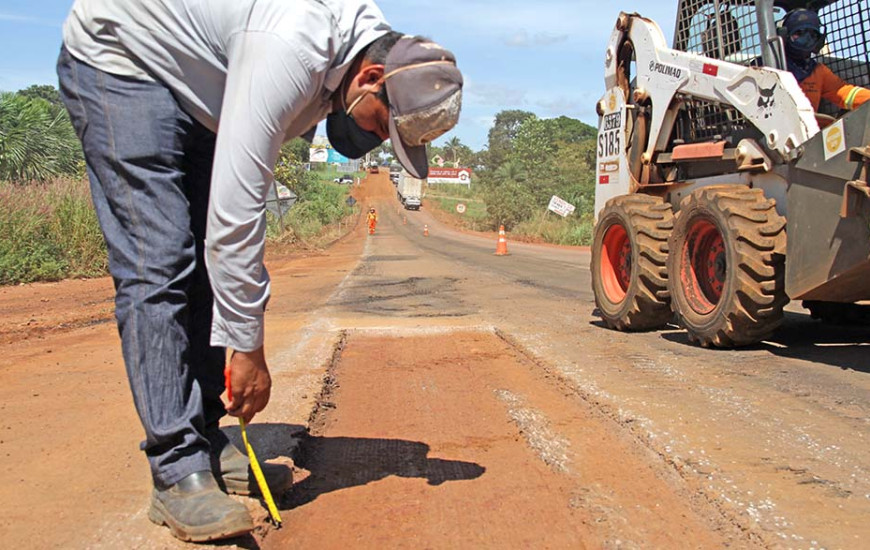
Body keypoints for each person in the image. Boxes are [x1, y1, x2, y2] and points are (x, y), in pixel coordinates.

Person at [56, 0, 462, 542]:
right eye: (381, 125)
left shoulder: (363, 48)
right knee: (160, 262)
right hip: (126, 62)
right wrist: (248, 347)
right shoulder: (291, 47)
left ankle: (202, 437)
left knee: (198, 263)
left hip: (203, 86)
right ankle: (177, 470)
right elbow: (235, 217)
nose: (377, 141)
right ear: (370, 77)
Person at [781, 8, 870, 114]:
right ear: (784, 36)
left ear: (819, 41)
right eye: (799, 33)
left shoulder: (818, 71)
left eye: (813, 35)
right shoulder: (765, 67)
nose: (806, 39)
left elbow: (844, 93)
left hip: (809, 128)